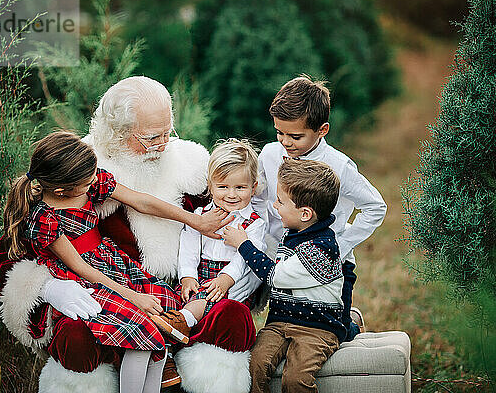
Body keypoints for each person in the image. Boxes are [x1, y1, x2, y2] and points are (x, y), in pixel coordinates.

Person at [0, 77, 257, 393]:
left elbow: (241, 211)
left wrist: (210, 244)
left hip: (162, 286)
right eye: (150, 137)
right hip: (99, 287)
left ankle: (172, 361)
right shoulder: (75, 169)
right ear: (117, 134)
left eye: (167, 132)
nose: (162, 144)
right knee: (95, 334)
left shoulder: (190, 166)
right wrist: (48, 289)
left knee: (228, 316)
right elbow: (15, 258)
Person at [251, 75, 387, 342]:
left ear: (322, 130)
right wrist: (263, 236)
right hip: (284, 260)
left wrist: (341, 244)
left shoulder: (339, 165)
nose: (285, 142)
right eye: (279, 132)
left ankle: (351, 324)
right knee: (285, 330)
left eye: (295, 136)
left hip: (330, 265)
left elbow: (375, 207)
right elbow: (258, 198)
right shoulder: (269, 154)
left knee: (331, 331)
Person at [224, 158, 346, 393]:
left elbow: (274, 276)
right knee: (255, 365)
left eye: (280, 201)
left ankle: (348, 323)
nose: (275, 206)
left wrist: (244, 244)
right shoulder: (296, 232)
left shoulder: (319, 249)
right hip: (280, 322)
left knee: (296, 379)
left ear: (305, 214)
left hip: (317, 327)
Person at [154, 139, 266, 335]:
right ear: (210, 185)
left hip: (233, 280)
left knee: (208, 301)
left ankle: (183, 321)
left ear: (253, 187)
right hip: (200, 273)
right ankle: (172, 342)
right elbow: (188, 247)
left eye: (240, 187)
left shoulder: (255, 223)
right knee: (177, 296)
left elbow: (244, 259)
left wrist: (225, 279)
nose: (232, 195)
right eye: (223, 187)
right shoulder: (200, 215)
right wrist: (188, 275)